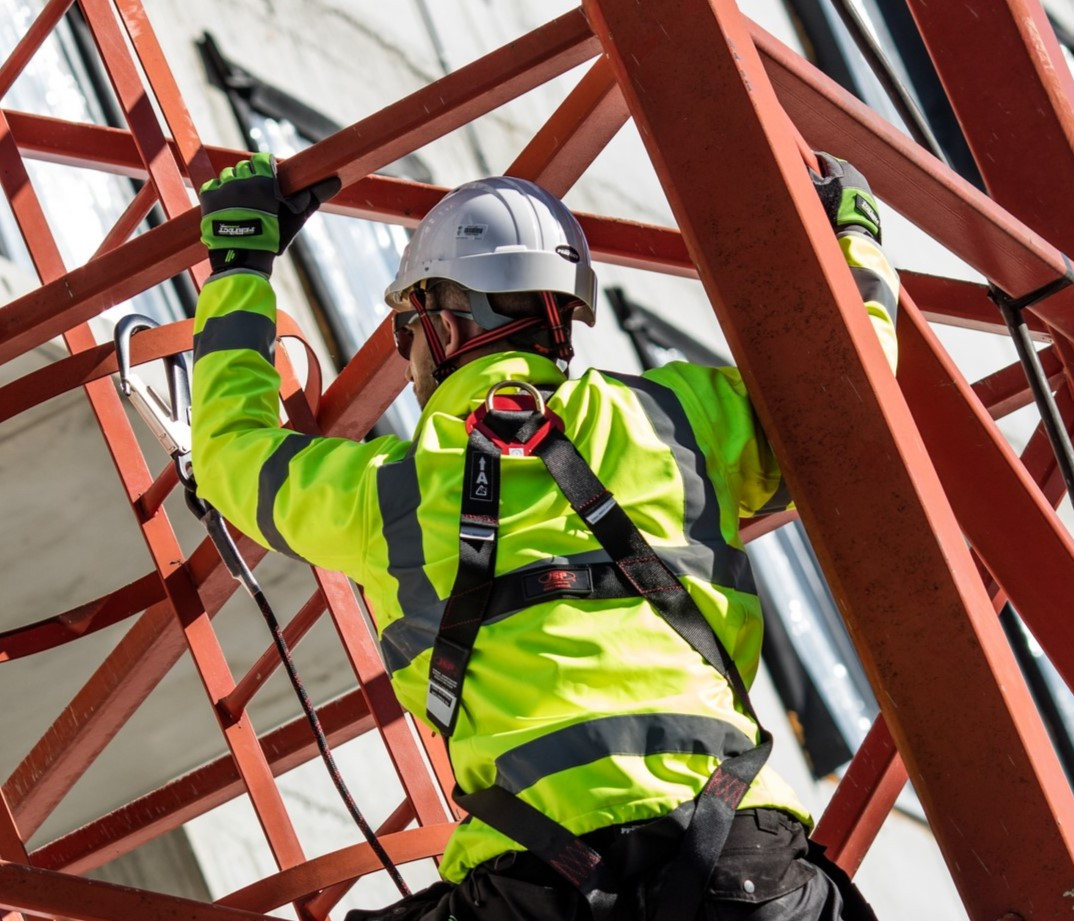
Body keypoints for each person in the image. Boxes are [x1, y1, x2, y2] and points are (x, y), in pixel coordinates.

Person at [191, 152, 898, 921]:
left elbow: (231, 456)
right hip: (740, 865)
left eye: (407, 332)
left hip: (538, 891)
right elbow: (849, 392)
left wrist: (239, 264)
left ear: (443, 323)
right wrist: (852, 236)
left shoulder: (389, 493)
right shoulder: (681, 420)